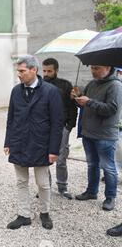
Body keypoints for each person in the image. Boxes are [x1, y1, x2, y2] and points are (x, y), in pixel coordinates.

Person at [4, 55, 63, 230]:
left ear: (33, 70)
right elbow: (11, 119)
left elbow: (57, 123)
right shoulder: (16, 91)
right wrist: (8, 142)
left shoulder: (51, 91)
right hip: (19, 143)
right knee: (21, 181)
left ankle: (45, 213)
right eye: (18, 71)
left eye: (22, 71)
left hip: (41, 145)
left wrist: (54, 150)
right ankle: (24, 215)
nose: (19, 75)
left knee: (43, 183)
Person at [74, 65, 122, 211]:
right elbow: (85, 106)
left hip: (105, 135)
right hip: (88, 132)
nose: (93, 71)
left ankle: (110, 197)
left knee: (108, 167)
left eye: (96, 68)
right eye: (92, 68)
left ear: (107, 68)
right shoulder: (92, 83)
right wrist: (77, 98)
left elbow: (112, 109)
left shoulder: (116, 85)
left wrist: (88, 101)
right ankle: (91, 192)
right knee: (92, 164)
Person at [42, 58, 78, 199]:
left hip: (62, 127)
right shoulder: (39, 85)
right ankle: (46, 187)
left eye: (49, 71)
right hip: (44, 127)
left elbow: (72, 107)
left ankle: (63, 187)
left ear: (56, 70)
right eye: (44, 70)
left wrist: (69, 126)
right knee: (43, 158)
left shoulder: (65, 85)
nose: (46, 73)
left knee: (61, 158)